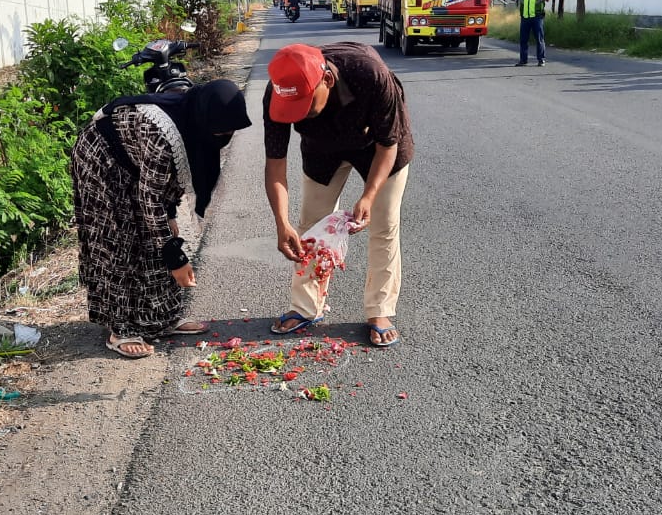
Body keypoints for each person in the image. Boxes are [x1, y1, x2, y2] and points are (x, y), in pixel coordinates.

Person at [71, 80, 251, 358]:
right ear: (205, 118)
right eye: (221, 130)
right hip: (101, 158)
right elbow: (150, 198)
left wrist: (169, 218)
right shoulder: (161, 133)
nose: (224, 136)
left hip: (137, 162)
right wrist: (175, 258)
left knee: (159, 232)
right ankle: (120, 329)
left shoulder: (194, 122)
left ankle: (160, 318)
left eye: (230, 131)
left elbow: (169, 180)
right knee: (119, 239)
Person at [263, 43, 413, 348]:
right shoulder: (279, 89)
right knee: (310, 225)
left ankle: (379, 311)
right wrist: (281, 222)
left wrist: (368, 196)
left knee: (383, 224)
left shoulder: (371, 75)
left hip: (376, 145)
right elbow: (275, 164)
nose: (298, 115)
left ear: (327, 81)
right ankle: (306, 307)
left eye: (305, 106)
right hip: (322, 148)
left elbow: (388, 146)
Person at [490, 0, 551, 66]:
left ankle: (541, 60)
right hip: (525, 17)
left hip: (537, 17)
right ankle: (523, 60)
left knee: (539, 39)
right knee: (523, 40)